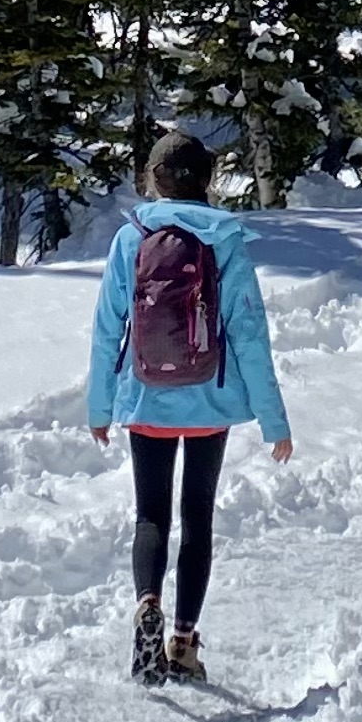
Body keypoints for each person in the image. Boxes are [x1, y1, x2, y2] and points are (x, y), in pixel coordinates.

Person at [88, 126, 292, 684]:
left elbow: (109, 330)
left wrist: (100, 408)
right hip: (209, 405)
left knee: (150, 515)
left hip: (145, 399)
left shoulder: (130, 239)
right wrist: (275, 421)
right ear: (206, 182)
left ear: (154, 181)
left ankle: (146, 602)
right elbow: (249, 334)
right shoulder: (225, 240)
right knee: (196, 518)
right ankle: (182, 643)